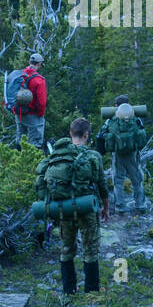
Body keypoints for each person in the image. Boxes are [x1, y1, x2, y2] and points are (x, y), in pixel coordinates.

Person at [37, 118, 108, 295]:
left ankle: (69, 290)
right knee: (90, 249)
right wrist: (105, 208)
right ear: (86, 135)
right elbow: (102, 185)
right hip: (86, 209)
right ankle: (92, 290)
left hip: (64, 209)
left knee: (66, 248)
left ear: (70, 134)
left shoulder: (57, 157)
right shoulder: (93, 156)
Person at [100, 95, 146, 212]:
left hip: (118, 155)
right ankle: (140, 205)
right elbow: (141, 132)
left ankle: (120, 206)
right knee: (137, 180)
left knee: (118, 181)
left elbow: (103, 132)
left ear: (116, 106)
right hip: (132, 154)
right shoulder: (134, 118)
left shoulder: (111, 119)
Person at [14, 53, 47, 151]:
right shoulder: (39, 80)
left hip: (19, 113)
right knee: (35, 144)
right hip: (33, 116)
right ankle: (32, 165)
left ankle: (16, 162)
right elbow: (42, 102)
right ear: (40, 64)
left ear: (29, 62)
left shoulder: (19, 75)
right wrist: (40, 115)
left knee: (20, 140)